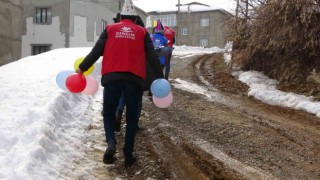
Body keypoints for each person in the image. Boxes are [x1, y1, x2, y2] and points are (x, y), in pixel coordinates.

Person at [76, 0, 164, 167]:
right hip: (134, 80)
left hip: (112, 78)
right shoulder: (142, 32)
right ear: (135, 19)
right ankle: (128, 153)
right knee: (132, 117)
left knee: (108, 113)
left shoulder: (110, 29)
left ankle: (111, 144)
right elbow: (152, 56)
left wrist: (82, 68)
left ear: (121, 16)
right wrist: (160, 77)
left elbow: (96, 51)